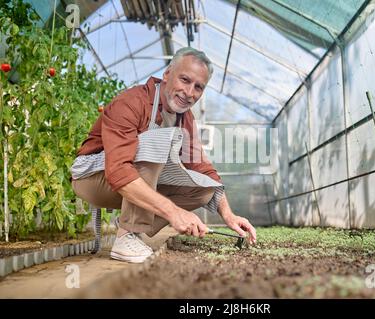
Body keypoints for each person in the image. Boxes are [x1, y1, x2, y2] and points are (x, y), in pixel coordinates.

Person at [71, 47, 257, 263]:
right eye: (185, 80)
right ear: (168, 74)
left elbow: (200, 166)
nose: (189, 93)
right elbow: (118, 170)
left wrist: (228, 214)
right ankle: (126, 237)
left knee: (205, 190)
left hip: (126, 182)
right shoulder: (132, 102)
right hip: (92, 179)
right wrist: (173, 212)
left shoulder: (185, 118)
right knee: (154, 140)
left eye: (198, 87)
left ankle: (128, 224)